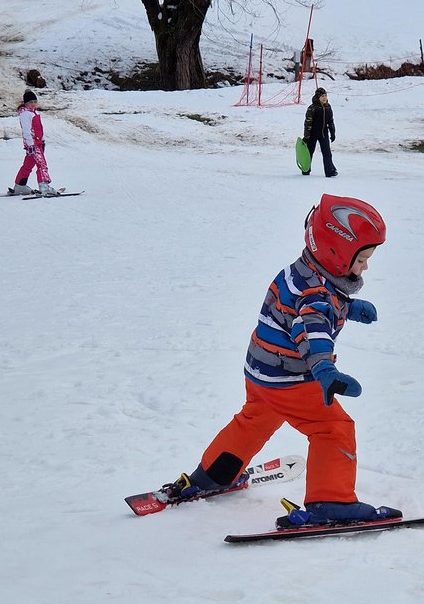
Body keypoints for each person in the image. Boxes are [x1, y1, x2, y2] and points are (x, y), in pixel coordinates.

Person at [160, 194, 402, 525]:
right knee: (332, 427)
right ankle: (330, 502)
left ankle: (214, 475)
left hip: (261, 372)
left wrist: (347, 308)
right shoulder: (315, 296)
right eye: (361, 260)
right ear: (336, 254)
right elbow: (311, 328)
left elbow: (300, 308)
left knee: (254, 420)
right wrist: (325, 370)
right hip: (292, 379)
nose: (365, 267)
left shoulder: (299, 272)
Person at [12, 90, 57, 196]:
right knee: (42, 164)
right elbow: (26, 131)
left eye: (34, 102)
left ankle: (20, 185)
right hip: (33, 145)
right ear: (26, 103)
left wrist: (42, 141)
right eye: (30, 102)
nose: (33, 104)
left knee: (28, 165)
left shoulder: (33, 113)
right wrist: (31, 144)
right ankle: (44, 186)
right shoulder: (25, 114)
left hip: (38, 143)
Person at [302, 87, 338, 178]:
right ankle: (306, 169)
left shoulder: (328, 107)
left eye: (325, 95)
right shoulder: (312, 108)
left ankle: (330, 171)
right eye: (322, 96)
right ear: (318, 97)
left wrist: (333, 133)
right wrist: (306, 136)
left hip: (323, 133)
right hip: (313, 134)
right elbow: (308, 123)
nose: (324, 98)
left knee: (327, 153)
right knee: (309, 152)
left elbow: (330, 121)